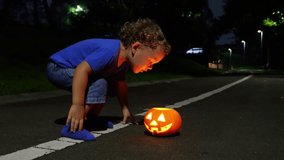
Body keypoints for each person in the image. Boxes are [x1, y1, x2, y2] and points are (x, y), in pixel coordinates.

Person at [46, 18, 171, 138]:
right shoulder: (110, 51)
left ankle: (91, 120)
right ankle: (72, 127)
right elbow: (81, 70)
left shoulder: (123, 62)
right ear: (136, 47)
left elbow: (120, 84)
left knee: (111, 85)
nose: (150, 67)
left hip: (74, 71)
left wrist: (125, 108)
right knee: (100, 83)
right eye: (151, 61)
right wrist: (77, 105)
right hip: (58, 68)